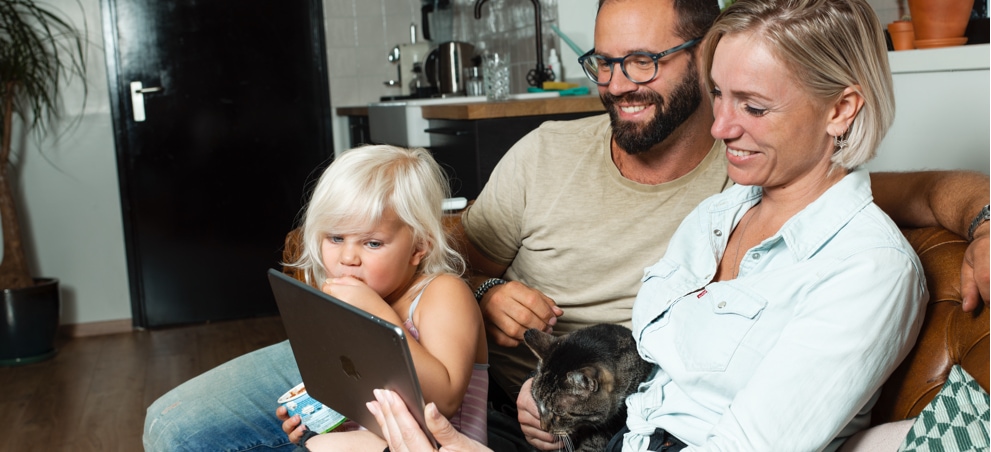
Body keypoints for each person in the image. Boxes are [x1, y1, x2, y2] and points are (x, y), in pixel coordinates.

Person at [142, 0, 990, 450]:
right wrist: (484, 290)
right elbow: (452, 251)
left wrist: (985, 216)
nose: (617, 82)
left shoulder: (753, 177)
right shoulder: (682, 195)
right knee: (182, 427)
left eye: (642, 60)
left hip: (537, 414)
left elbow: (908, 192)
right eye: (603, 62)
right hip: (479, 374)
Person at [361, 0, 930, 450]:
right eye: (717, 95)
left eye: (753, 107)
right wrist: (553, 403)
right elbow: (650, 389)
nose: (721, 127)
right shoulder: (717, 216)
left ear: (841, 109)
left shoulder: (868, 269)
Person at [143, 145, 489, 451]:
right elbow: (360, 398)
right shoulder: (349, 302)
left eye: (372, 243)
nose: (348, 258)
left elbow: (444, 401)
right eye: (335, 238)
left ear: (418, 247)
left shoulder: (442, 294)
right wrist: (319, 417)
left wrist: (378, 314)